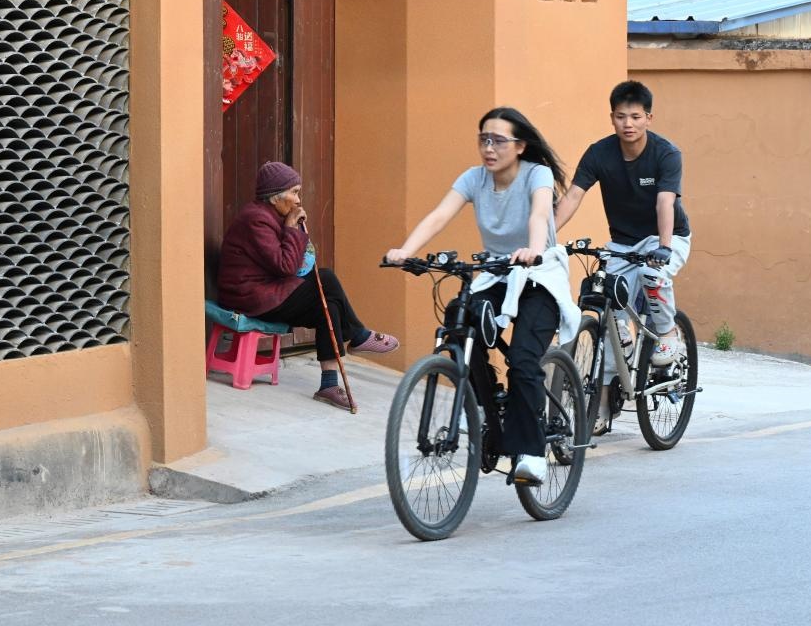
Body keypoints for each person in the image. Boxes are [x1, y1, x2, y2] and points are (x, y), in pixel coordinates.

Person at [385, 107, 580, 484]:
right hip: (496, 274)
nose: (489, 148)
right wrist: (406, 250)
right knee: (459, 319)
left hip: (539, 276)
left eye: (498, 141)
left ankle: (532, 452)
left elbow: (540, 214)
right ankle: (484, 408)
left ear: (520, 146)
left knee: (523, 361)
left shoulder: (535, 175)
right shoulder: (474, 179)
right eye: (483, 140)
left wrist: (533, 250)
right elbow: (440, 214)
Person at [554, 80, 692, 434]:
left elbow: (665, 201)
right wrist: (544, 238)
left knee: (653, 277)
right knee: (604, 304)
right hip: (623, 244)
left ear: (648, 117)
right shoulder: (600, 153)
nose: (627, 123)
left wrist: (662, 247)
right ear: (611, 118)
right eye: (620, 116)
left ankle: (666, 334)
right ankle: (601, 407)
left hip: (667, 236)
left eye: (635, 116)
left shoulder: (666, 153)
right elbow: (571, 198)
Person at [216, 161, 399, 411]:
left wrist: (292, 228)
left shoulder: (269, 215)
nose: (298, 200)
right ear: (274, 197)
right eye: (294, 192)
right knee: (326, 279)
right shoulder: (256, 219)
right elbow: (285, 266)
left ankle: (329, 384)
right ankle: (358, 335)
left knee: (329, 304)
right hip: (249, 296)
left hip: (267, 290)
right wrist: (292, 228)